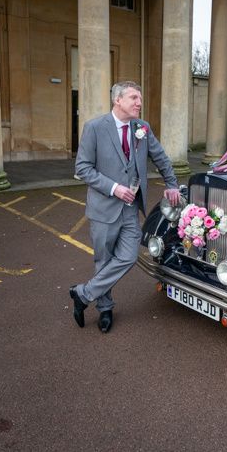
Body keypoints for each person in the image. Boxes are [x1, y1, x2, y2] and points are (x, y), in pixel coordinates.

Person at [70, 81, 180, 333]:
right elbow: (82, 168)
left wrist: (172, 183)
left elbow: (161, 157)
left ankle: (83, 294)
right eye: (133, 98)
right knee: (104, 259)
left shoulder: (142, 128)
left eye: (140, 98)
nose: (139, 103)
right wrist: (114, 188)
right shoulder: (95, 128)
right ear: (117, 100)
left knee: (129, 256)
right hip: (103, 208)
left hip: (131, 208)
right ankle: (105, 308)